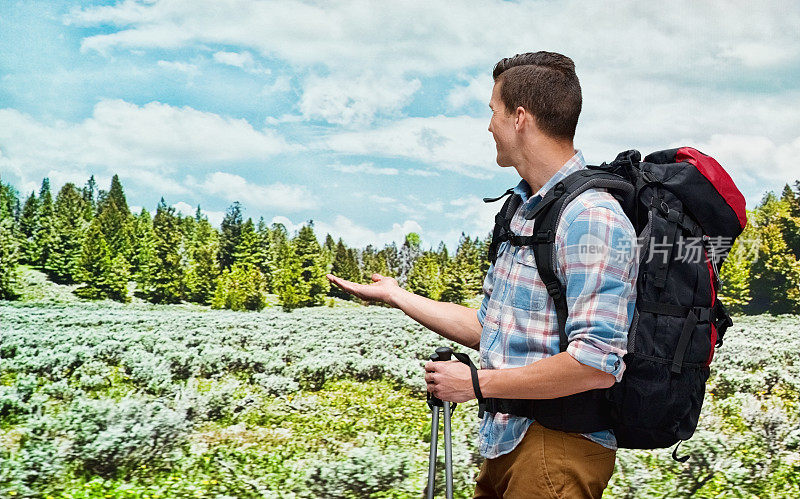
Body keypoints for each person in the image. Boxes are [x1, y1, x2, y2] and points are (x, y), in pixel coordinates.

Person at [327, 51, 638, 498]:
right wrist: (398, 296)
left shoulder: (592, 218)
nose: (488, 125)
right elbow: (492, 330)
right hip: (509, 444)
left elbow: (596, 364)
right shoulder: (524, 212)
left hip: (556, 451)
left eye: (492, 112)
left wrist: (475, 384)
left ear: (519, 118)